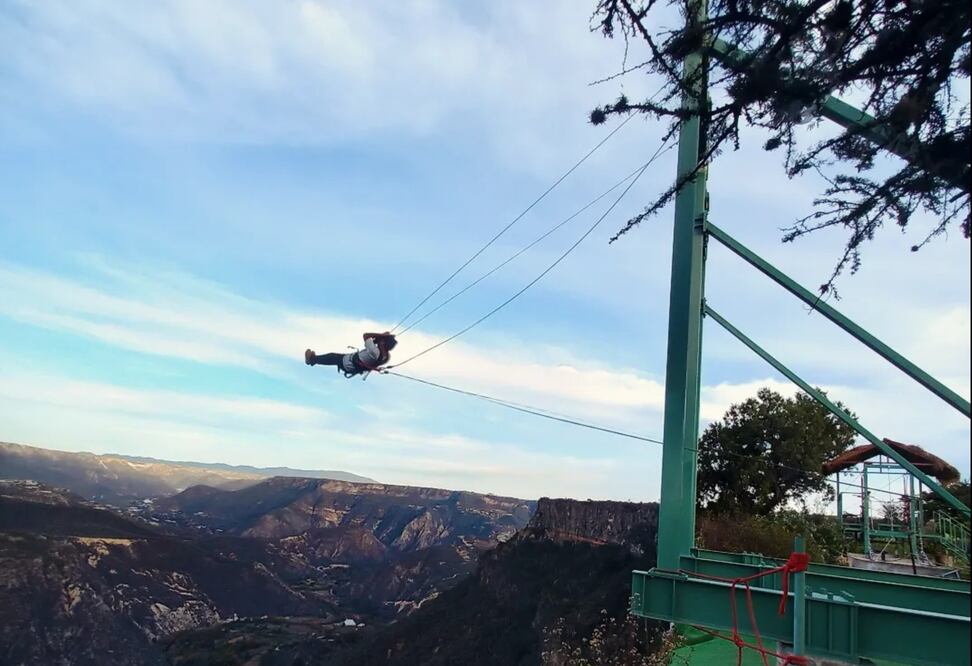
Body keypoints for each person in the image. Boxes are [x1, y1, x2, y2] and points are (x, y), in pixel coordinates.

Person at [305, 332, 398, 377]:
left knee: (332, 357)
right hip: (352, 364)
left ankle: (312, 360)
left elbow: (366, 335)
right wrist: (380, 339)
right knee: (333, 357)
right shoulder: (385, 357)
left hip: (348, 363)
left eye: (382, 341)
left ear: (383, 343)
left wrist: (381, 335)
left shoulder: (375, 352)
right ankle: (314, 360)